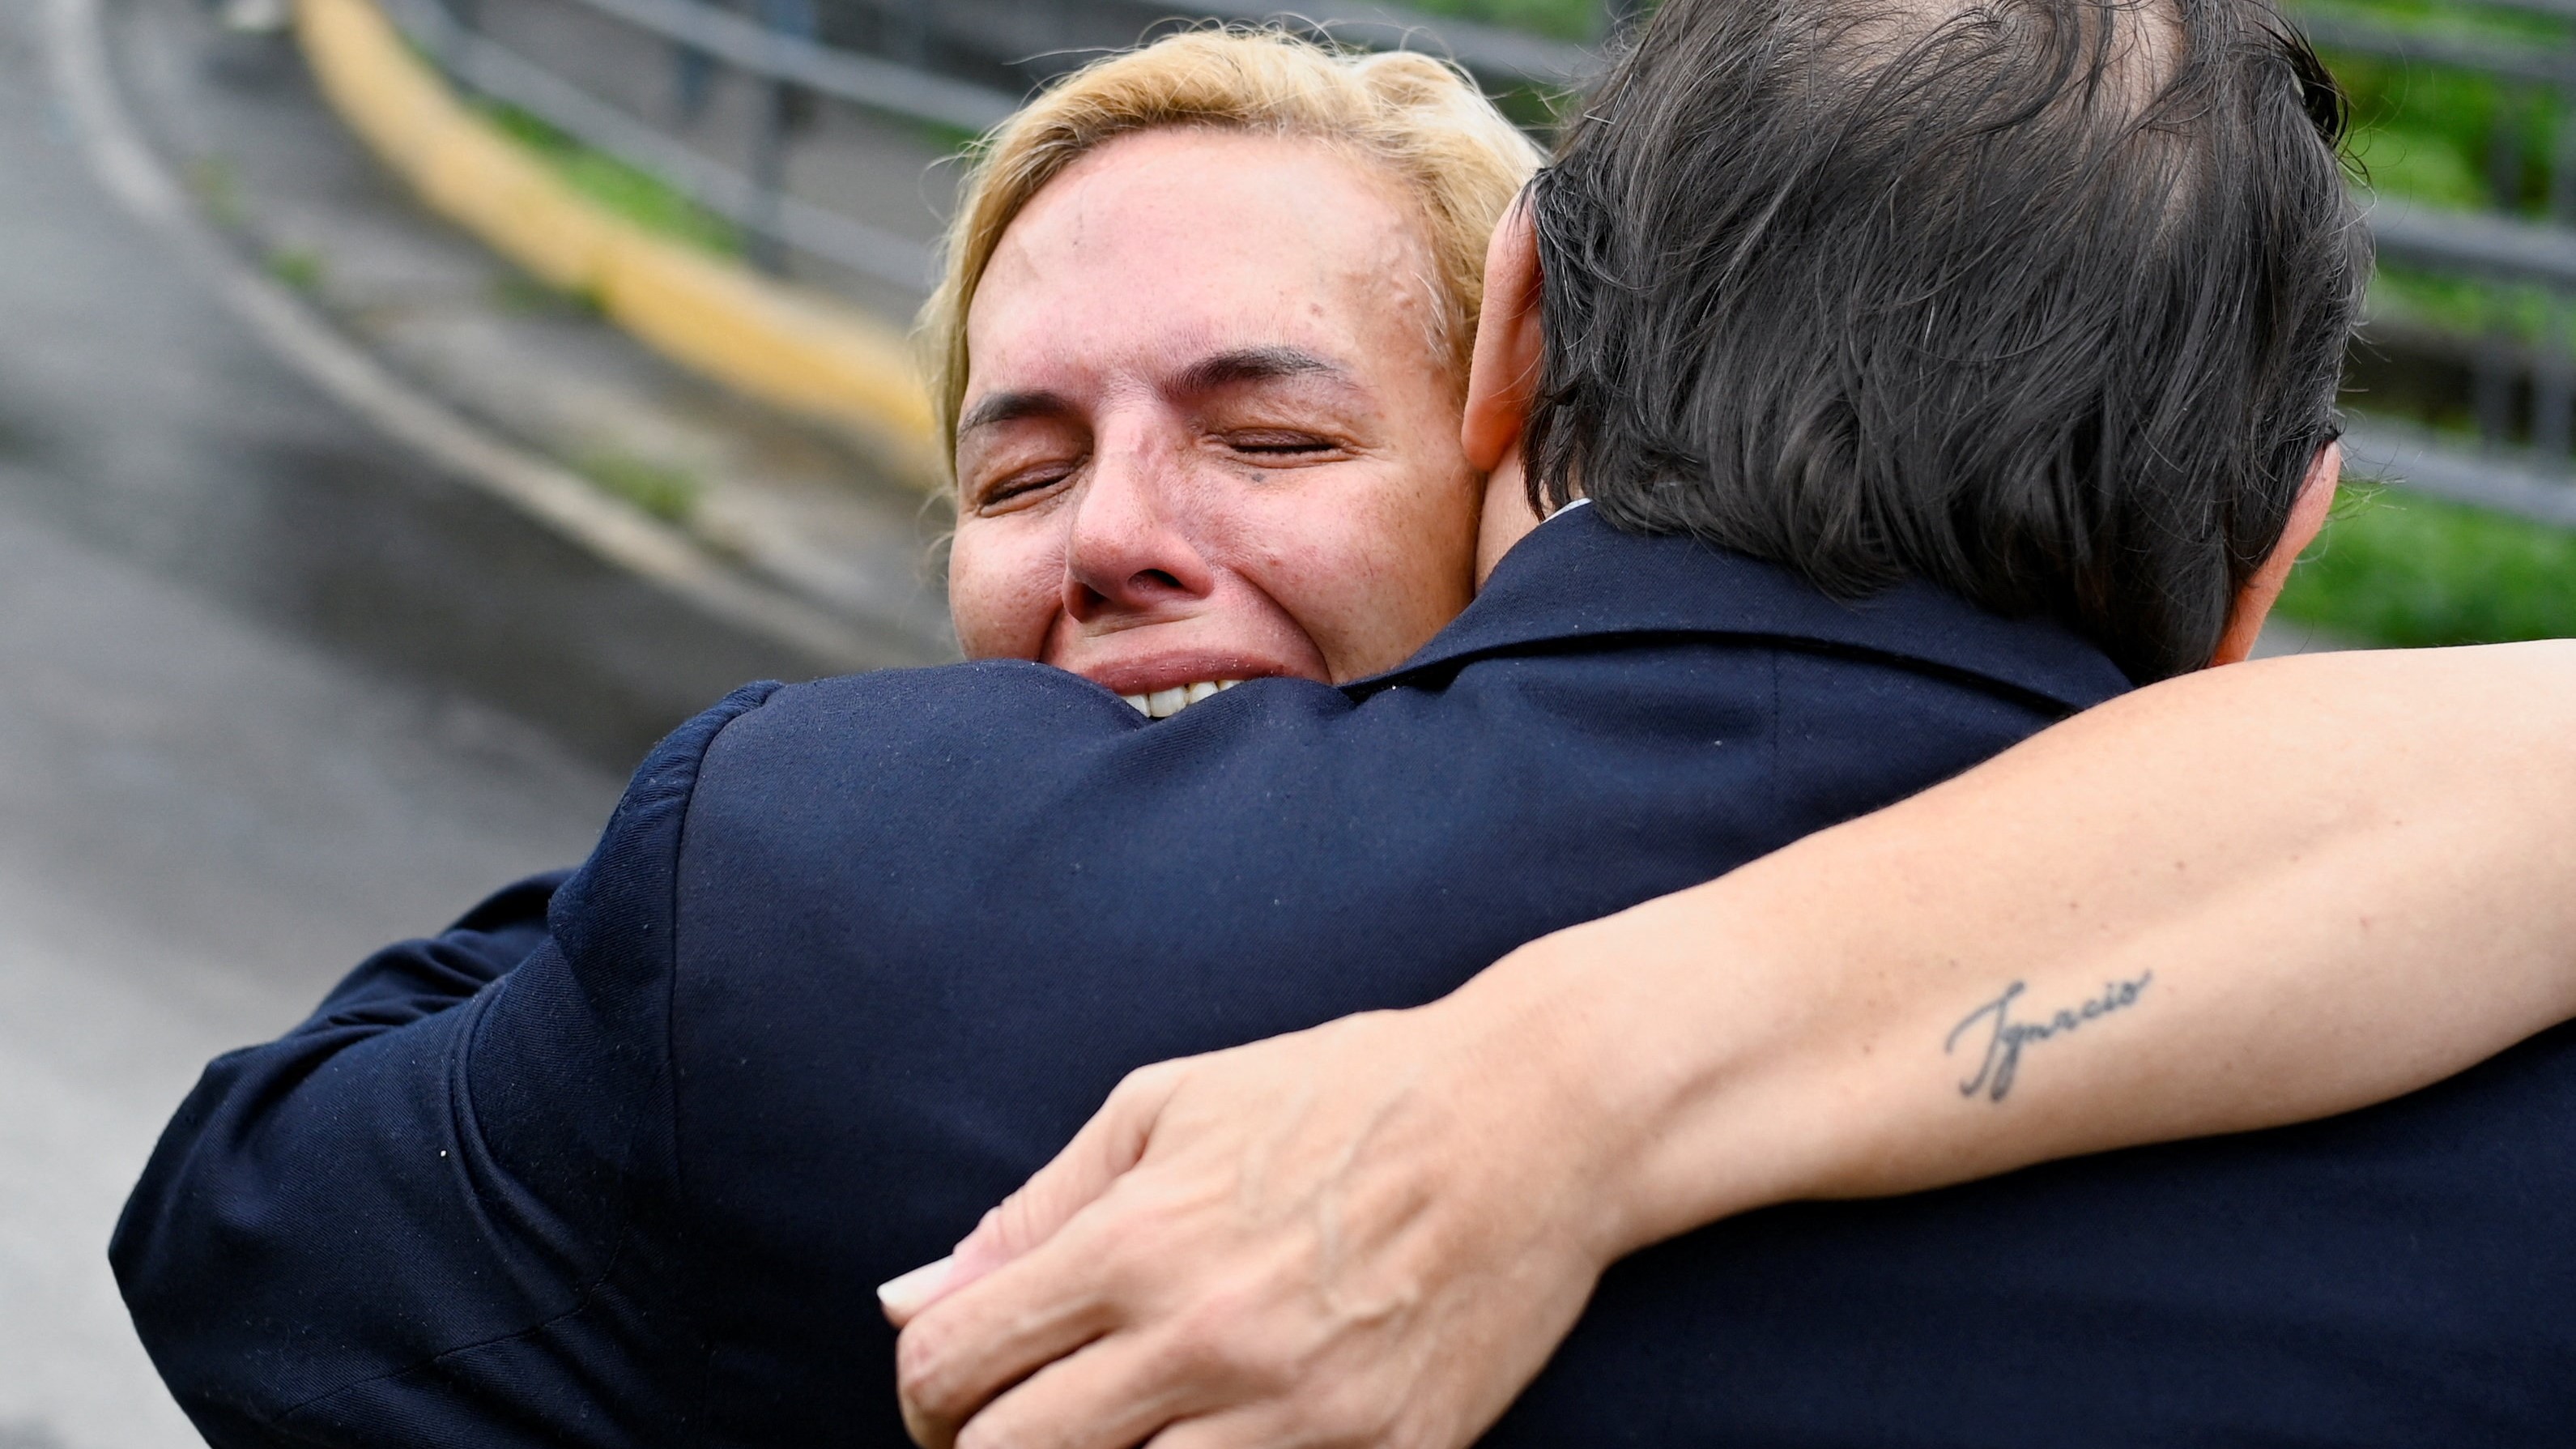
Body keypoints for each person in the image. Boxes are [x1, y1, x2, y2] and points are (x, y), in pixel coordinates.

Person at [109, 19, 2574, 1449]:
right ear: (2279, 553)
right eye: (1014, 457)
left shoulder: (822, 916)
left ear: (1514, 386)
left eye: (1281, 441)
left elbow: (264, 1225)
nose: (1118, 536)